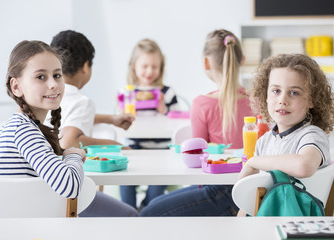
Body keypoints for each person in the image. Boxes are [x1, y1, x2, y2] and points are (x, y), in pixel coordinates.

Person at [0, 40, 138, 217]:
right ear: (16, 86)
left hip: (21, 222)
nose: (53, 84)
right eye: (41, 77)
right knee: (130, 216)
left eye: (57, 75)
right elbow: (70, 186)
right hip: (26, 227)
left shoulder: (21, 126)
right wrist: (74, 155)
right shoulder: (24, 131)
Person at [140, 29, 253, 216]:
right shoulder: (260, 101)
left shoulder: (202, 104)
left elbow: (197, 163)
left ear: (206, 62)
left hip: (223, 193)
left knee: (147, 213)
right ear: (242, 59)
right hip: (252, 189)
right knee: (156, 203)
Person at [237, 53, 334, 216]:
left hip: (300, 227)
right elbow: (248, 202)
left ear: (312, 100)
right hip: (265, 223)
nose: (282, 100)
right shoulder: (264, 142)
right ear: (266, 97)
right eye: (276, 91)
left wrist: (253, 161)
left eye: (294, 93)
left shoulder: (313, 135)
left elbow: (304, 166)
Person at [120, 39, 179, 210]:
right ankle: (127, 210)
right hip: (134, 148)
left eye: (154, 67)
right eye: (144, 66)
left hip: (161, 151)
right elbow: (120, 123)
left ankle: (146, 208)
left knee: (158, 184)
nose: (149, 71)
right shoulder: (128, 93)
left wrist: (163, 111)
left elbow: (177, 123)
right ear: (134, 66)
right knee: (125, 179)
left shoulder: (167, 93)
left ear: (161, 67)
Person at [49, 30, 134, 149]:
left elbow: (73, 118)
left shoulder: (47, 95)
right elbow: (68, 142)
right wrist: (118, 146)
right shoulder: (82, 103)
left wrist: (111, 119)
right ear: (85, 66)